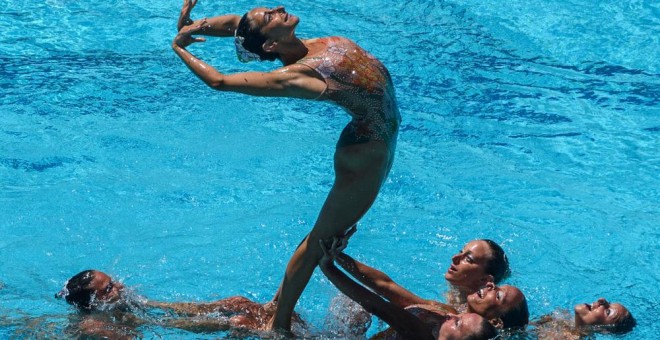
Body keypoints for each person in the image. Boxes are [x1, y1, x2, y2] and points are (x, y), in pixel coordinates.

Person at [172, 1, 400, 332]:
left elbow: (237, 24)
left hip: (378, 140)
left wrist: (191, 27)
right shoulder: (298, 76)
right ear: (270, 45)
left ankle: (278, 306)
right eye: (270, 15)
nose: (279, 6)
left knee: (323, 237)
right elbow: (219, 81)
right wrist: (179, 47)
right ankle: (278, 328)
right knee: (318, 245)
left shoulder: (305, 43)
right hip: (366, 154)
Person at [318, 237, 498, 340]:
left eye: (457, 323)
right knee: (351, 307)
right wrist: (338, 255)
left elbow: (377, 306)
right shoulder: (446, 313)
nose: (453, 316)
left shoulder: (421, 336)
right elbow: (387, 286)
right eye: (460, 315)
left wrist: (327, 266)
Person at [55, 270, 307, 337]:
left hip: (156, 323)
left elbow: (168, 308)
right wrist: (214, 322)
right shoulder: (94, 325)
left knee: (237, 303)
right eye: (109, 288)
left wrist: (217, 305)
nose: (119, 286)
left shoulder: (121, 301)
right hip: (158, 330)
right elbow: (154, 330)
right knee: (238, 322)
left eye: (113, 280)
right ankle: (269, 331)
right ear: (93, 303)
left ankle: (266, 315)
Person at [533, 298, 635, 339]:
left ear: (603, 330)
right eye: (609, 303)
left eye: (608, 312)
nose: (601, 300)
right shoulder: (561, 317)